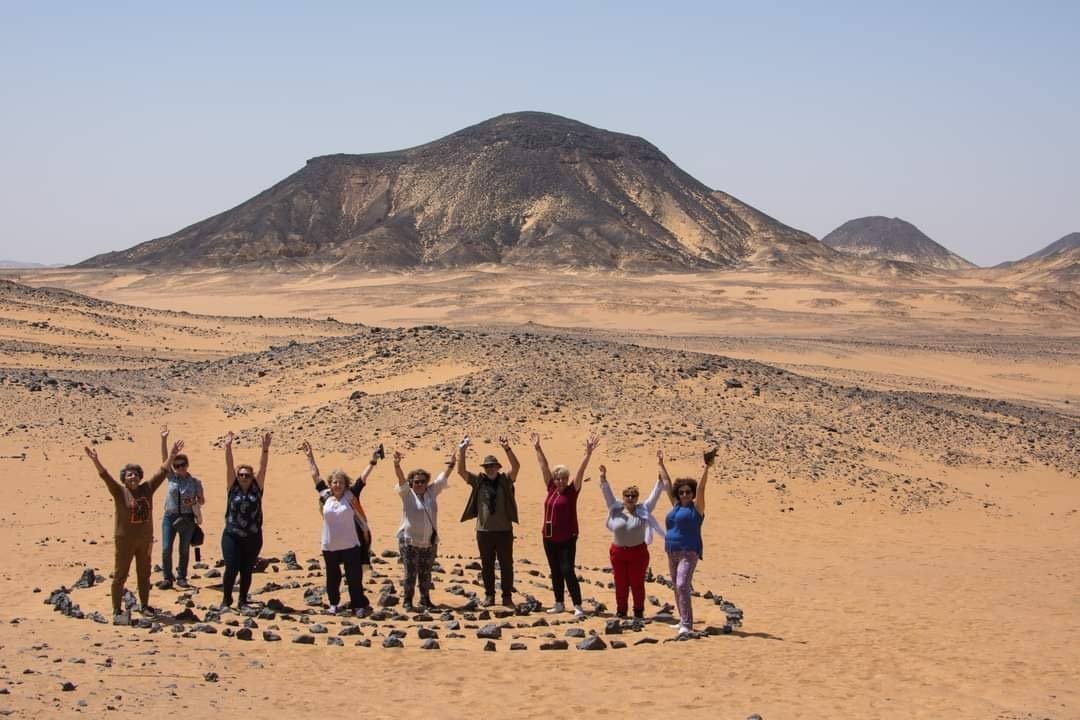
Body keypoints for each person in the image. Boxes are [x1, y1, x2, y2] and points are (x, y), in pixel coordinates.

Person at [85, 439, 184, 622]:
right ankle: (116, 610)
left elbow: (162, 472)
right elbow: (105, 476)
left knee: (144, 574)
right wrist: (95, 460)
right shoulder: (119, 492)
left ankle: (144, 606)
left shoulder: (147, 489)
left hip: (145, 540)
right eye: (129, 475)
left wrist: (172, 455)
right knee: (120, 574)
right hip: (125, 540)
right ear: (124, 479)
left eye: (136, 474)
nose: (133, 477)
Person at [531, 432, 598, 618]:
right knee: (555, 571)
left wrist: (588, 454)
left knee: (567, 570)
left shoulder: (572, 491)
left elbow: (580, 472)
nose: (560, 481)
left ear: (567, 479)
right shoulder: (551, 488)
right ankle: (559, 602)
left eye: (563, 478)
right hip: (548, 537)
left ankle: (577, 605)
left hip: (567, 538)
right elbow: (543, 467)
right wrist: (538, 448)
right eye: (557, 478)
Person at [302, 440, 369, 614]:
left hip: (350, 545)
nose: (337, 485)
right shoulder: (326, 496)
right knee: (333, 576)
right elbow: (315, 475)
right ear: (330, 484)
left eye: (340, 482)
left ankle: (358, 605)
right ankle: (333, 604)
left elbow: (362, 479)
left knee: (354, 577)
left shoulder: (350, 496)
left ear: (345, 484)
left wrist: (373, 461)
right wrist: (310, 457)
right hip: (330, 545)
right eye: (334, 482)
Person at [598, 454, 666, 621]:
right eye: (627, 496)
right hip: (618, 552)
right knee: (620, 583)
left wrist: (659, 481)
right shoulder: (616, 509)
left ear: (637, 498)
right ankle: (621, 610)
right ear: (623, 497)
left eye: (633, 496)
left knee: (637, 583)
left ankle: (638, 611)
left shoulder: (644, 510)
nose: (630, 498)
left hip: (638, 553)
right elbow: (607, 494)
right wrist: (603, 478)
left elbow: (654, 496)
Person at [458, 434, 520, 607]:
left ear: (498, 467)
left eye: (493, 466)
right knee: (487, 565)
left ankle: (507, 596)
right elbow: (461, 472)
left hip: (504, 531)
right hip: (484, 532)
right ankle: (489, 595)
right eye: (487, 466)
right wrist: (462, 451)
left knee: (506, 565)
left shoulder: (505, 480)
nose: (490, 469)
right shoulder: (479, 481)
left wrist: (507, 448)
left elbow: (516, 467)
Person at [392, 447, 456, 611]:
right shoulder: (407, 494)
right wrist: (397, 465)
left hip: (429, 541)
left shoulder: (431, 493)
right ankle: (407, 600)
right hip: (409, 541)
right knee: (410, 573)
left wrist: (451, 464)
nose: (420, 484)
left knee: (426, 572)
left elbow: (442, 479)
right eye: (416, 482)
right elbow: (400, 479)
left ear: (427, 482)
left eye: (422, 481)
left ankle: (425, 599)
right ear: (411, 483)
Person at [660, 448, 712, 636]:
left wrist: (707, 468)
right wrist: (661, 464)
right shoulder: (675, 506)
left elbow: (702, 489)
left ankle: (687, 624)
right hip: (672, 551)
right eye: (681, 492)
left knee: (682, 584)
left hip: (688, 552)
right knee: (676, 585)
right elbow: (667, 483)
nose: (684, 495)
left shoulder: (696, 509)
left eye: (688, 492)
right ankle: (682, 619)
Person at [220, 430, 271, 608]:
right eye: (241, 474)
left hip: (253, 537)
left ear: (251, 477)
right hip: (232, 535)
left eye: (247, 475)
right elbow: (229, 465)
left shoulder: (257, 487)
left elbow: (263, 467)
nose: (243, 477)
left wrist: (265, 449)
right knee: (231, 567)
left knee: (247, 570)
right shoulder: (232, 487)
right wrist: (228, 447)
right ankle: (226, 600)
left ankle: (242, 600)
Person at [159, 425, 204, 590]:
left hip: (187, 518)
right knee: (166, 548)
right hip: (170, 516)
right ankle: (167, 577)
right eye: (177, 465)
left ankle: (182, 577)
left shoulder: (195, 482)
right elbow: (165, 460)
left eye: (183, 465)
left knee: (184, 549)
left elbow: (202, 500)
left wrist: (193, 501)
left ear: (187, 465)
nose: (180, 468)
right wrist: (164, 439)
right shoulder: (171, 477)